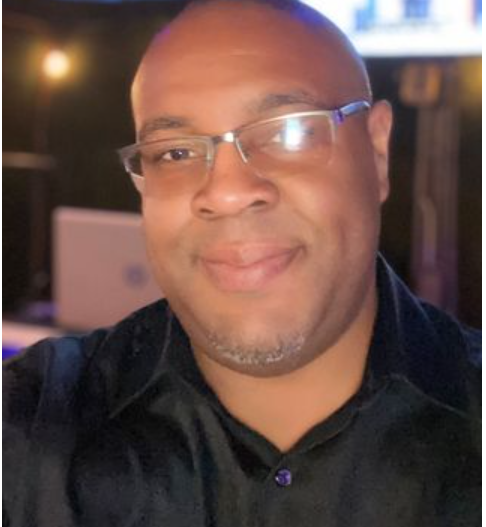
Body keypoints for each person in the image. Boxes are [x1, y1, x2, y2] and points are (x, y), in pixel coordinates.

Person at [3, 0, 481, 525]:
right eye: (175, 153)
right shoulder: (26, 431)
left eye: (288, 131)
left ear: (377, 151)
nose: (226, 192)